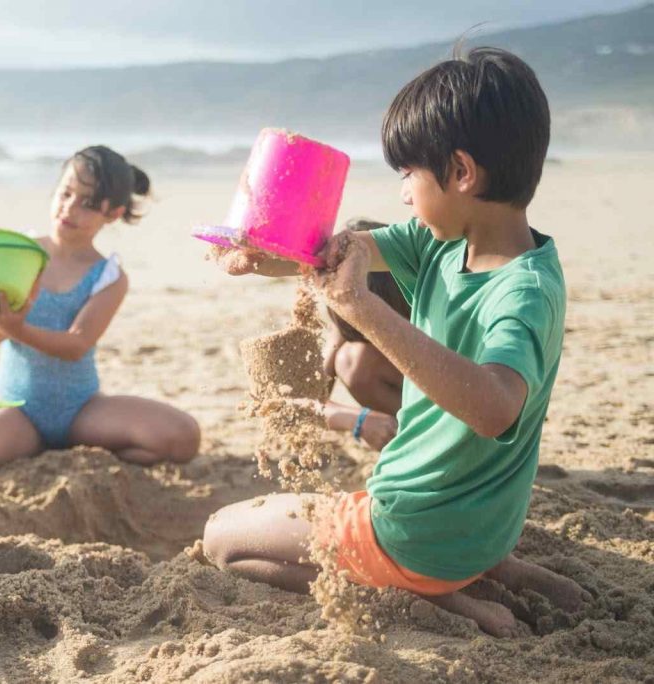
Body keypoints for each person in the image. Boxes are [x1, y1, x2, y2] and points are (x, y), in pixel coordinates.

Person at [203, 47, 589, 637]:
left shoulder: (522, 295)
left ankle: (441, 600)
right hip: (482, 526)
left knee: (225, 540)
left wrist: (363, 307)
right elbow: (336, 252)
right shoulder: (451, 244)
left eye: (409, 175)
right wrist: (264, 256)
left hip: (414, 530)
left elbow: (493, 406)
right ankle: (492, 567)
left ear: (461, 172)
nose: (404, 194)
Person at [0, 146, 200, 473]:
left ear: (114, 213)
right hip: (18, 409)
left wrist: (18, 328)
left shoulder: (109, 276)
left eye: (88, 203)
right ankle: (17, 439)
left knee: (183, 437)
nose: (69, 208)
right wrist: (0, 319)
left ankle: (63, 450)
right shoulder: (22, 256)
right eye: (65, 193)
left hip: (82, 411)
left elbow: (77, 345)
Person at [321, 219, 408, 451]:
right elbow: (302, 402)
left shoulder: (423, 299)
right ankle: (405, 435)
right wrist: (359, 420)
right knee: (353, 360)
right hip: (403, 405)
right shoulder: (350, 310)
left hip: (452, 403)